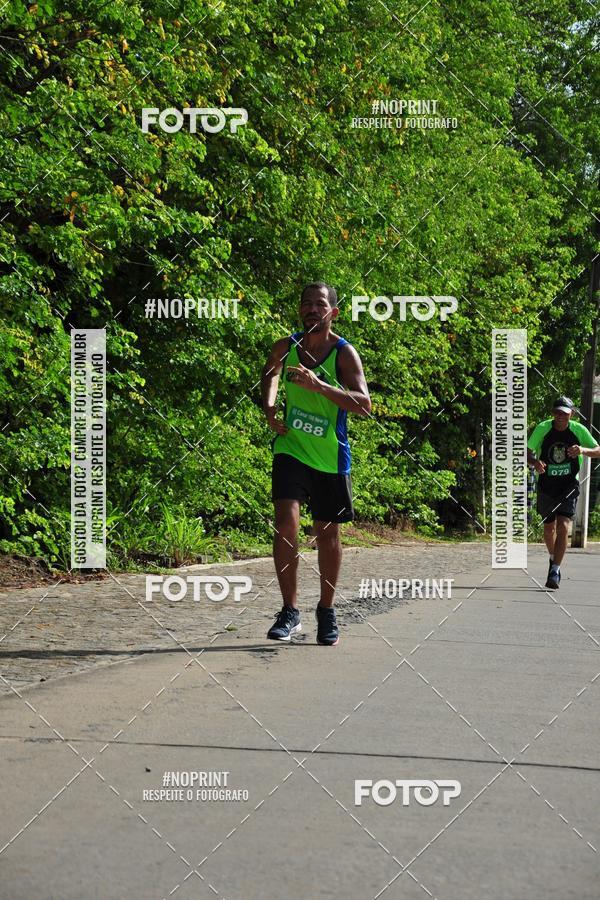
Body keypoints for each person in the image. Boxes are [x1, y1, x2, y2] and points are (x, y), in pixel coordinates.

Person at [260, 282, 371, 645]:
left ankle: (326, 609)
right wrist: (270, 405)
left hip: (330, 456)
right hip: (291, 449)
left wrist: (319, 386)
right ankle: (290, 611)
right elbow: (271, 373)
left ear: (332, 312)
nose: (311, 309)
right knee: (285, 522)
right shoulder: (286, 346)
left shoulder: (343, 353)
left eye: (319, 304)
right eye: (305, 304)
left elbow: (364, 404)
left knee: (328, 534)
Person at [527, 397, 599, 590]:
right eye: (557, 413)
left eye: (564, 413)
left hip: (568, 486)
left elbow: (598, 450)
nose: (560, 417)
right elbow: (526, 451)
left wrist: (583, 450)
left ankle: (555, 570)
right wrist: (535, 462)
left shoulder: (578, 430)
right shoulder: (543, 428)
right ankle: (553, 558)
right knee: (549, 529)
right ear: (553, 414)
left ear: (571, 414)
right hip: (547, 485)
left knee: (563, 527)